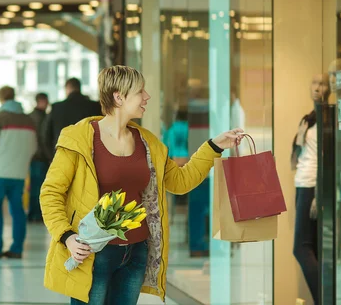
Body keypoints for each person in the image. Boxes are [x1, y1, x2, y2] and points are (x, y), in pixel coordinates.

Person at [40, 65, 244, 304]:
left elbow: (180, 181)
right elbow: (51, 193)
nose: (146, 97)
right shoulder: (79, 139)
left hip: (136, 252)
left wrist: (214, 147)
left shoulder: (148, 143)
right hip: (93, 254)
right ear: (119, 96)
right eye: (140, 92)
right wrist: (67, 236)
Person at [0, 86, 37, 260]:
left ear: (0, 98)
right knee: (17, 209)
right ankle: (16, 249)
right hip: (19, 173)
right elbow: (33, 146)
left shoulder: (0, 118)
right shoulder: (29, 120)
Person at [291, 73, 330, 305]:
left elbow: (328, 159)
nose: (317, 87)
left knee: (301, 248)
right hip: (302, 184)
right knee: (312, 248)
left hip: (312, 188)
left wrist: (319, 193)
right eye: (314, 83)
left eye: (322, 83)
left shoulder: (328, 119)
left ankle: (323, 300)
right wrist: (299, 139)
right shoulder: (308, 120)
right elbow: (293, 162)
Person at [43, 77, 101, 159]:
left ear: (67, 88)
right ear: (79, 88)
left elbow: (46, 137)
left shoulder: (56, 108)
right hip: (88, 157)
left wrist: (52, 158)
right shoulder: (94, 107)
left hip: (62, 157)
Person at [28, 92, 49, 222]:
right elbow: (43, 138)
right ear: (41, 101)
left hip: (32, 156)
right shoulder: (42, 117)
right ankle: (37, 214)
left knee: (34, 186)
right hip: (40, 156)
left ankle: (32, 214)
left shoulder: (29, 117)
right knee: (40, 187)